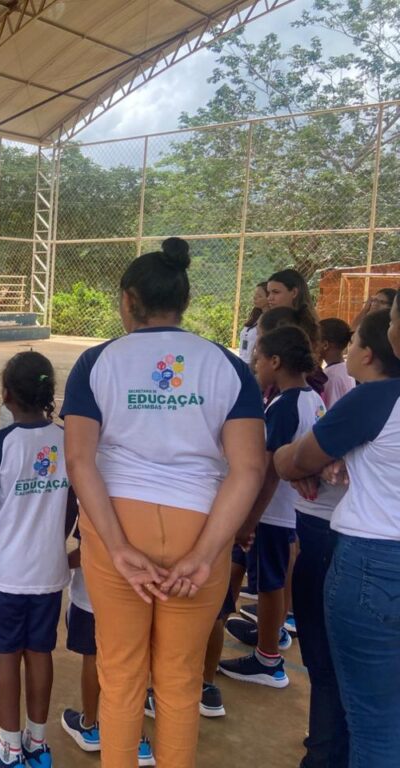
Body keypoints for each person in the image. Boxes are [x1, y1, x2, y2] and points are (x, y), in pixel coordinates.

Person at [61, 237, 265, 768]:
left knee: (121, 674)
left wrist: (117, 546)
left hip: (116, 519)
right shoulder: (227, 365)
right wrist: (205, 553)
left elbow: (80, 462)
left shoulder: (97, 361)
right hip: (201, 522)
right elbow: (249, 468)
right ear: (184, 301)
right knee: (179, 679)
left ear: (128, 300)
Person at [273, 298, 400, 768]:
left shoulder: (378, 399)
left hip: (375, 563)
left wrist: (308, 460)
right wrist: (347, 458)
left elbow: (293, 460)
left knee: (372, 723)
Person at [0, 352, 76, 768]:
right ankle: (37, 744)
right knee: (40, 652)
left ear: (7, 396)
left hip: (6, 574)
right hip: (49, 571)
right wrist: (52, 540)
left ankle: (9, 748)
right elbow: (72, 507)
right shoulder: (68, 441)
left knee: (6, 654)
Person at [218, 325, 324, 687]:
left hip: (272, 513)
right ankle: (265, 635)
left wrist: (248, 519)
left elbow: (267, 473)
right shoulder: (311, 398)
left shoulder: (285, 406)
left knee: (269, 583)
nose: (255, 364)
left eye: (259, 358)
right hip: (287, 511)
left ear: (275, 361)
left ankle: (268, 659)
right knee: (265, 575)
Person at [62, 533, 156, 767]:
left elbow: (87, 550)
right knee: (133, 664)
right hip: (138, 596)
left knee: (92, 658)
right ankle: (138, 739)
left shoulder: (94, 509)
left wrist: (57, 565)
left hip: (93, 597)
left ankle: (89, 725)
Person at [318, 318, 356, 408]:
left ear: (325, 345)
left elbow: (331, 410)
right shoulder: (347, 369)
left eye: (315, 340)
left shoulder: (330, 377)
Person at [238, 282, 268, 364]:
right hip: (242, 361)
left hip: (254, 364)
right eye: (255, 295)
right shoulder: (255, 316)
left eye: (259, 296)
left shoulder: (270, 320)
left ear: (269, 298)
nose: (255, 298)